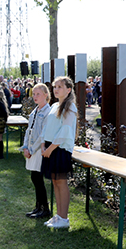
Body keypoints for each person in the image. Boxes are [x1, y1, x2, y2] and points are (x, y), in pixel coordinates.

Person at [41, 77, 78, 229]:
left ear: (68, 90)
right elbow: (46, 126)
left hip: (60, 148)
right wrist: (43, 144)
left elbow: (65, 131)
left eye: (60, 87)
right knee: (55, 181)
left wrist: (50, 149)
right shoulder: (55, 105)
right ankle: (59, 215)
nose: (56, 89)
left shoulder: (70, 107)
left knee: (61, 182)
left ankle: (64, 218)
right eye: (55, 86)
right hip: (50, 146)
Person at [21, 84, 51, 219]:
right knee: (34, 178)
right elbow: (29, 130)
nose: (35, 96)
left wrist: (32, 149)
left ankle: (45, 208)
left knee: (37, 178)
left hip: (39, 149)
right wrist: (25, 147)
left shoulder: (47, 112)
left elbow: (43, 135)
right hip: (31, 149)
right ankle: (38, 206)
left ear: (46, 94)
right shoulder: (35, 111)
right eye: (34, 94)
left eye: (38, 94)